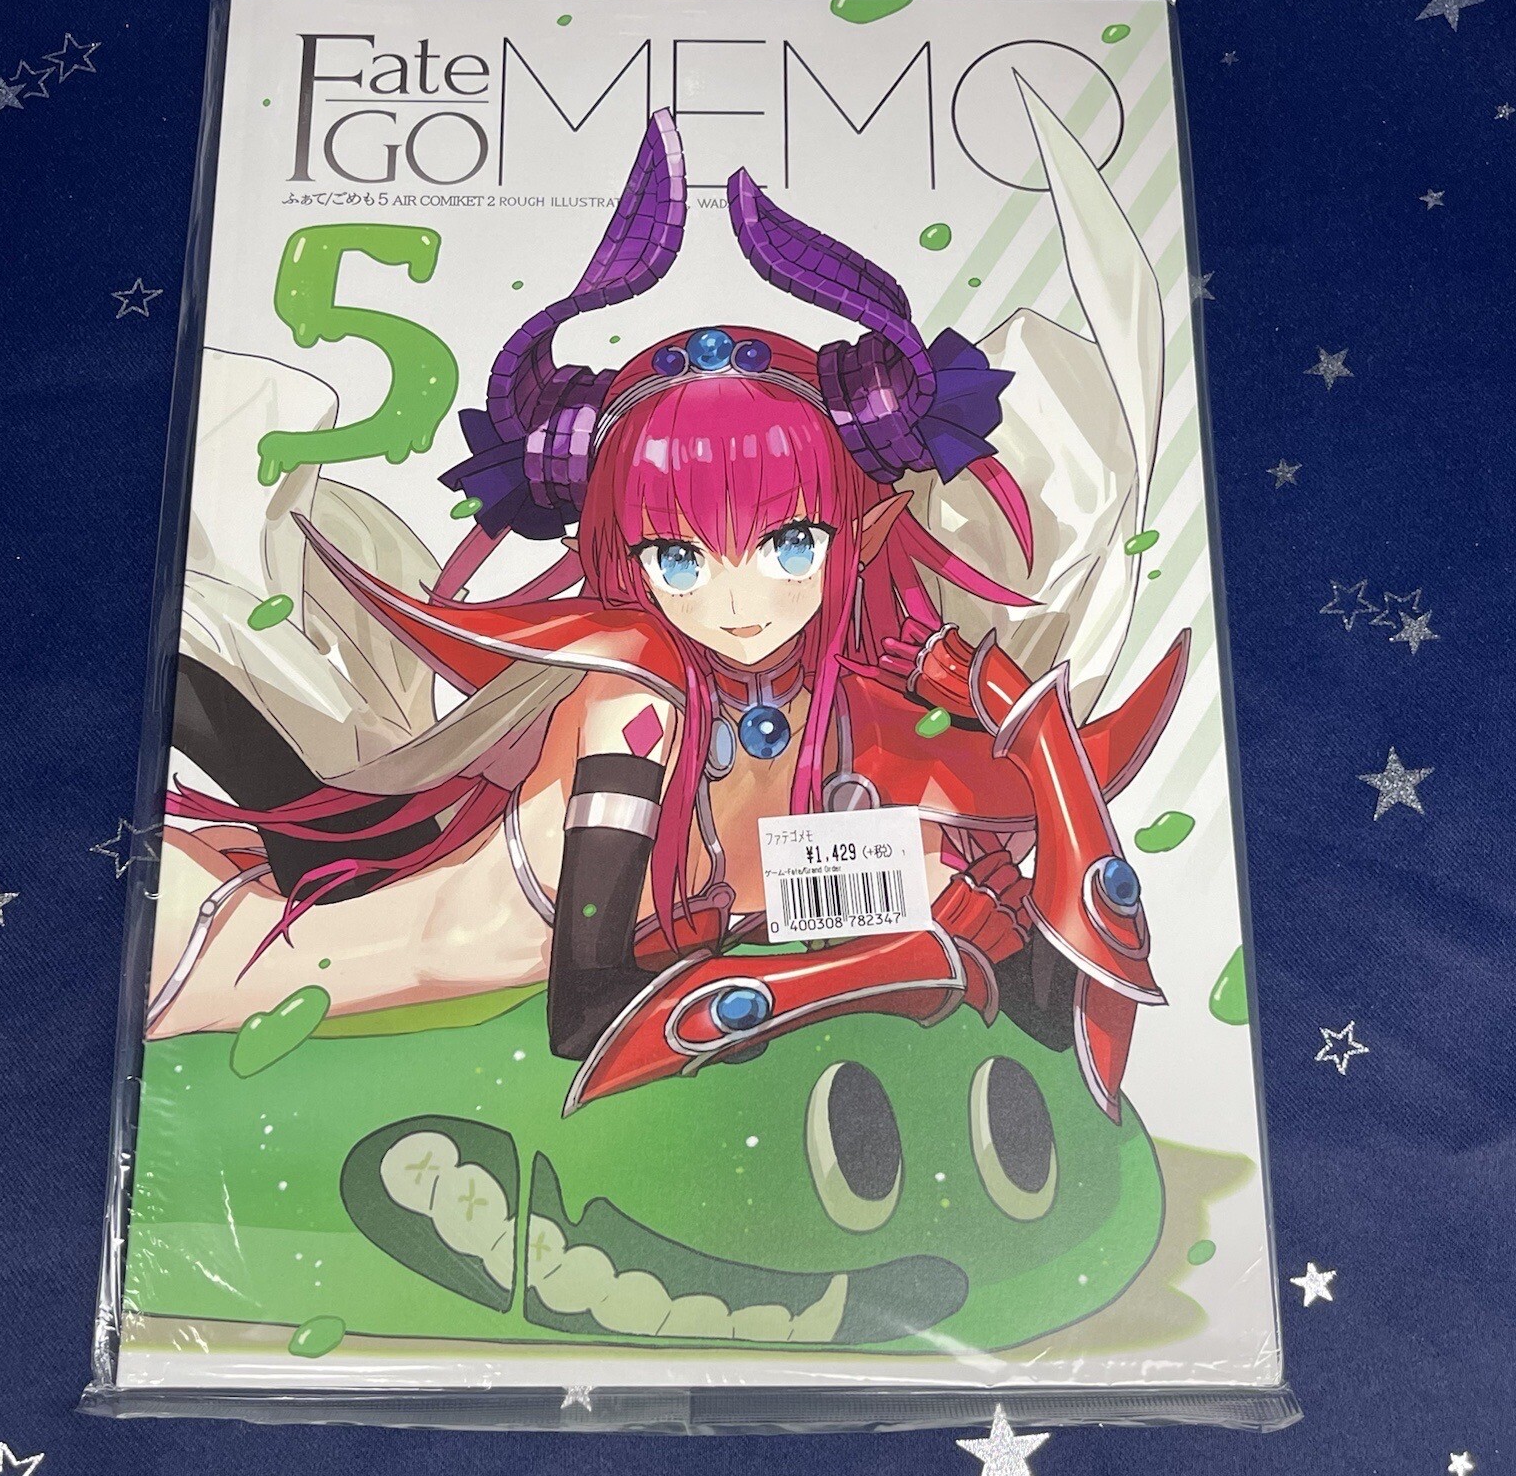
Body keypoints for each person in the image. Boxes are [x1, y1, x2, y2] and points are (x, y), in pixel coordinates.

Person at [147, 101, 1186, 1120]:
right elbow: (586, 1009)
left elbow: (1053, 1005)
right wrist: (890, 956)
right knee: (256, 791)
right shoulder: (634, 704)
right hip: (356, 952)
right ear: (621, 557)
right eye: (679, 558)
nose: (737, 601)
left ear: (860, 531)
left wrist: (1026, 718)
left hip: (489, 897)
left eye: (788, 545)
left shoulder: (852, 696)